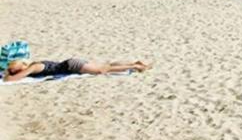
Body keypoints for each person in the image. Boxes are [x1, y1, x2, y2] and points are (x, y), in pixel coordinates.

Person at [4, 58, 150, 82]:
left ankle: (135, 66)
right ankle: (133, 63)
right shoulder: (34, 64)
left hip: (72, 65)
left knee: (103, 70)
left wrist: (9, 76)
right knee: (105, 65)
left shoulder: (33, 67)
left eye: (13, 70)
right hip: (71, 64)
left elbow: (12, 79)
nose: (13, 72)